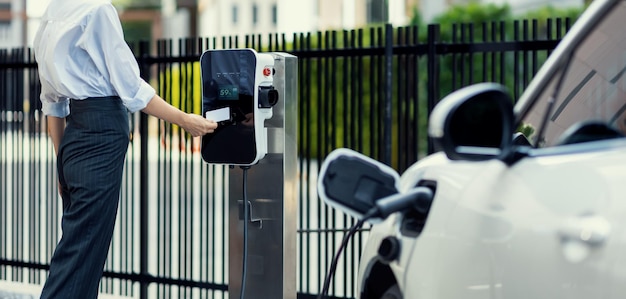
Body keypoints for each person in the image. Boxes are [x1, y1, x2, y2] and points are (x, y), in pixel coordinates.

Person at [33, 0, 218, 298]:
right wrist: (186, 121)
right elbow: (132, 89)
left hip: (73, 142)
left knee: (78, 252)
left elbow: (53, 104)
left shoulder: (52, 14)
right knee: (81, 259)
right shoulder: (98, 10)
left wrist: (60, 164)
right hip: (99, 137)